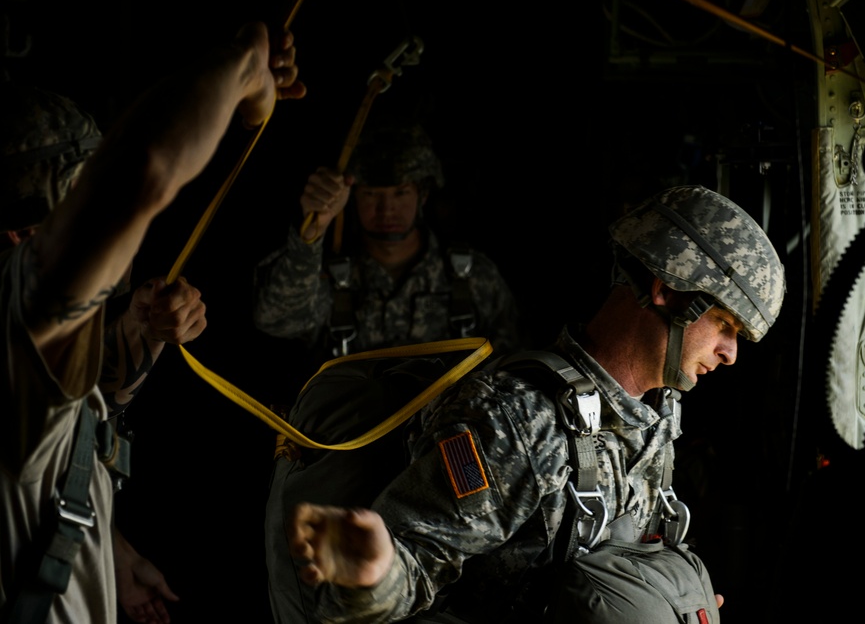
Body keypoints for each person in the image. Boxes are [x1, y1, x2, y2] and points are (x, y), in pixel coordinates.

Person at [286, 184, 786, 623]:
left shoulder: (659, 411)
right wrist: (375, 576)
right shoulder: (515, 421)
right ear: (665, 291)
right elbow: (411, 567)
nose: (730, 353)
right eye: (724, 325)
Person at [0, 21, 305, 623]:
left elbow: (57, 431)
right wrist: (241, 64)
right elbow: (141, 169)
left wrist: (101, 550)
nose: (122, 237)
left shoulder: (27, 342)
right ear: (27, 233)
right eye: (83, 196)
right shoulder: (17, 307)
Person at [251, 121, 524, 367]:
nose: (386, 209)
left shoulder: (472, 276)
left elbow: (513, 365)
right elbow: (277, 320)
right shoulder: (327, 277)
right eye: (371, 194)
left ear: (423, 195)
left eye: (401, 192)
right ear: (352, 198)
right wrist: (313, 230)